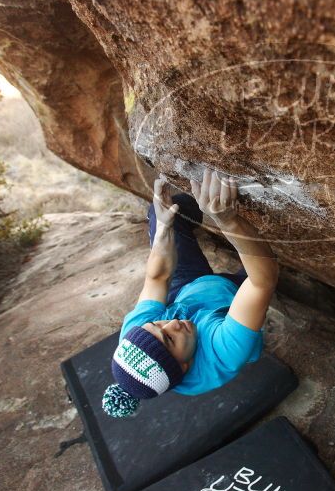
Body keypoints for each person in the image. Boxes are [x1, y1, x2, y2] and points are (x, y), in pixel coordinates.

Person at [101, 168, 279, 418]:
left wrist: (163, 228)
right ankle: (225, 208)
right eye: (170, 339)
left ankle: (206, 199)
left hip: (187, 292)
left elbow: (157, 277)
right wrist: (227, 220)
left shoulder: (137, 336)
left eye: (156, 324)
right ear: (184, 367)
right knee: (266, 257)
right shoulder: (221, 354)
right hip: (226, 303)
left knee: (165, 214)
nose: (171, 323)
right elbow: (262, 282)